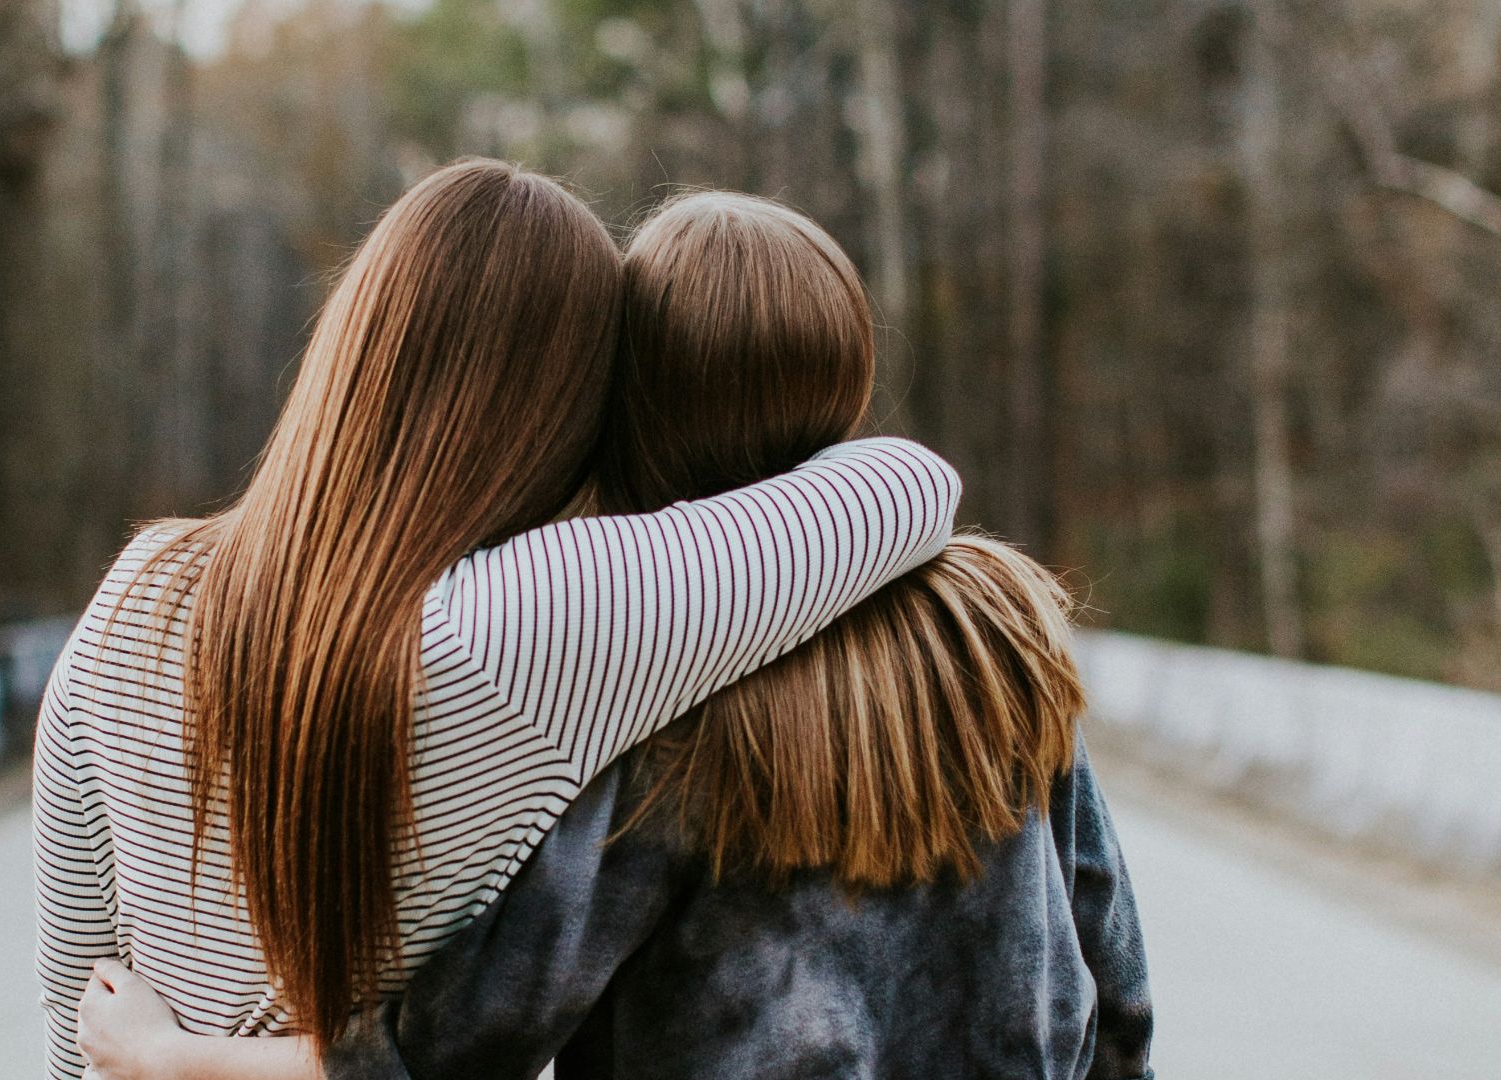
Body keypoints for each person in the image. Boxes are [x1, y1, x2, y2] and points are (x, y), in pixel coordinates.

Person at [72, 192, 1151, 1079]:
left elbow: (466, 1036)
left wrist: (178, 1060)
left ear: (630, 399)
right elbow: (1107, 943)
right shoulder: (996, 624)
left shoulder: (663, 678)